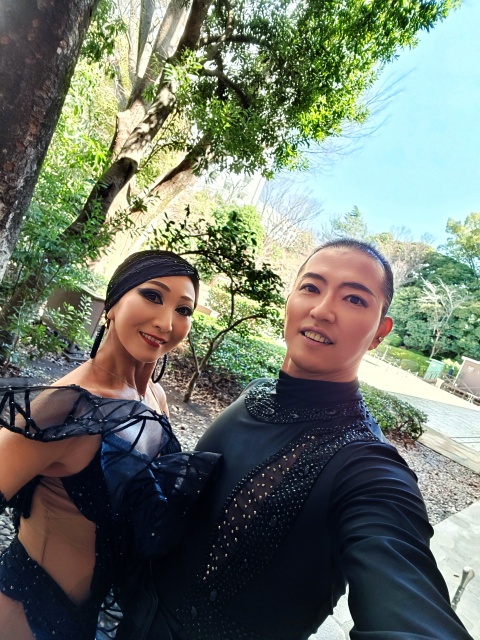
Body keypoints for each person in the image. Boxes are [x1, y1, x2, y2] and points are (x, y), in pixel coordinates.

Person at [118, 238, 473, 640]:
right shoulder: (255, 394)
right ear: (290, 300)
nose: (322, 310)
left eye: (354, 299)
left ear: (380, 332)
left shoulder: (365, 465)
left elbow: (407, 597)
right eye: (311, 287)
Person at [0, 250, 220, 640]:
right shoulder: (64, 407)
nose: (167, 322)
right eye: (152, 296)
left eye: (183, 310)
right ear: (113, 304)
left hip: (90, 621)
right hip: (25, 614)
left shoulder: (155, 398)